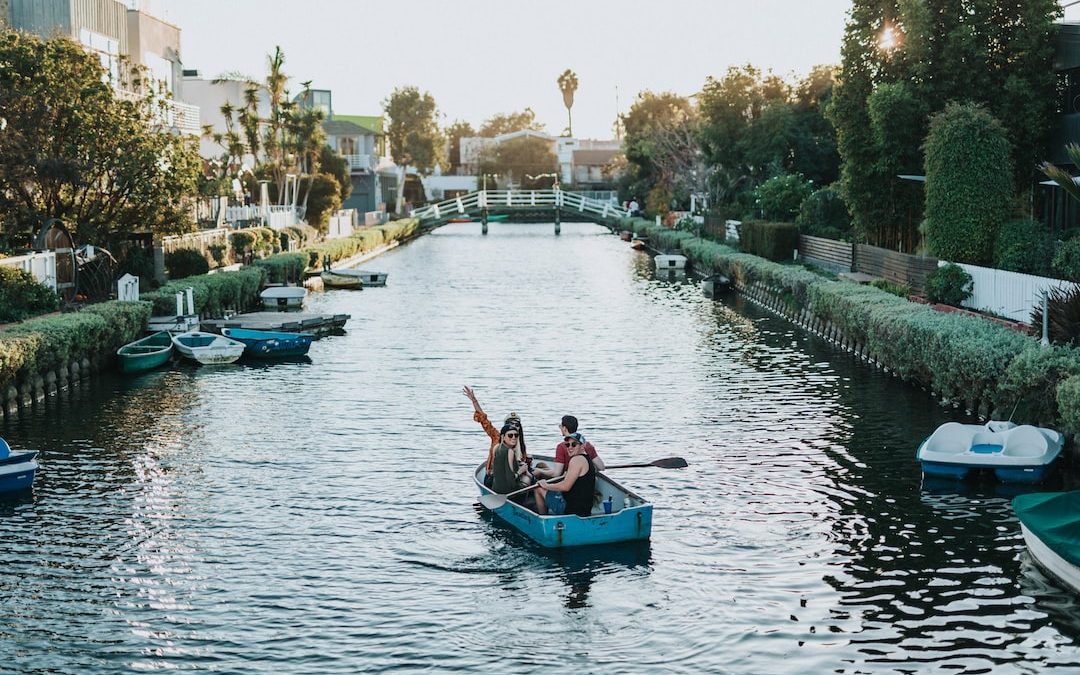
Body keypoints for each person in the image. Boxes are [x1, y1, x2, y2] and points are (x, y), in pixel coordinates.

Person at [462, 385, 532, 488]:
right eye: (510, 424)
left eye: (516, 425)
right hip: (494, 479)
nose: (514, 429)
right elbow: (483, 420)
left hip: (511, 480)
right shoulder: (497, 437)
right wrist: (474, 400)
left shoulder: (520, 444)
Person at [535, 432, 596, 516]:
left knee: (538, 488)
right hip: (585, 509)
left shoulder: (576, 460)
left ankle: (543, 519)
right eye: (567, 445)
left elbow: (565, 487)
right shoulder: (587, 459)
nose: (570, 447)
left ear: (582, 446)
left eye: (574, 444)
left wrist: (546, 485)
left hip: (571, 510)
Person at [533, 415, 604, 480]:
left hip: (567, 481)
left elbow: (557, 474)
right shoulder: (587, 445)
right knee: (541, 465)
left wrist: (539, 471)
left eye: (560, 426)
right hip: (584, 481)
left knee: (539, 471)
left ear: (564, 428)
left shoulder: (562, 447)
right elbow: (601, 467)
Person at [490, 422, 533, 497]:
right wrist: (521, 471)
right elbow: (511, 480)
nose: (513, 438)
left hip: (496, 489)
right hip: (509, 492)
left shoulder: (496, 448)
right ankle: (525, 501)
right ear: (503, 436)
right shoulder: (510, 452)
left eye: (516, 435)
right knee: (527, 478)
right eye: (510, 435)